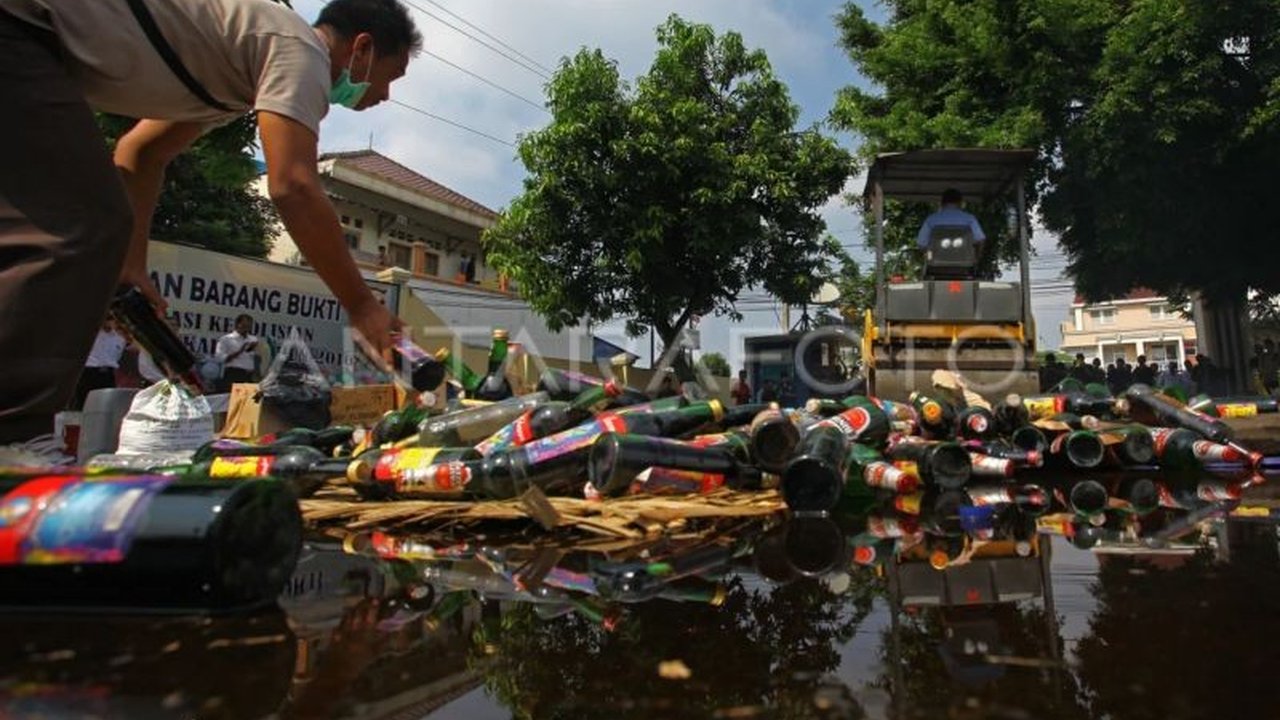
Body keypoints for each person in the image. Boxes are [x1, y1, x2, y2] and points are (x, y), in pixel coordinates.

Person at [0, 0, 419, 446]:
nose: (385, 96)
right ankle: (14, 439)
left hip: (35, 42)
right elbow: (293, 185)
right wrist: (362, 307)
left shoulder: (231, 75)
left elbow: (141, 154)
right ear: (362, 48)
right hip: (23, 27)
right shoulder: (300, 49)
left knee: (72, 220)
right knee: (78, 221)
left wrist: (131, 267)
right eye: (390, 77)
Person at [71, 319, 128, 410]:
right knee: (84, 405)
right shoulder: (92, 333)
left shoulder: (120, 336)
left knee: (106, 406)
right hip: (89, 372)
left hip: (108, 374)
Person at [916, 188, 986, 251]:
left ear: (942, 203)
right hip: (964, 261)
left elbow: (921, 244)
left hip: (937, 262)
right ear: (960, 203)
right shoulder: (970, 219)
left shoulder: (931, 220)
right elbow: (981, 240)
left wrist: (929, 255)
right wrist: (976, 258)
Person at [215, 314, 261, 391]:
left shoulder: (253, 339)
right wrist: (240, 351)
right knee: (233, 401)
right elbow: (220, 359)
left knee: (249, 402)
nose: (246, 329)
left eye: (249, 326)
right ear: (237, 324)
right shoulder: (226, 339)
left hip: (249, 376)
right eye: (244, 325)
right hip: (234, 374)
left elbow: (256, 359)